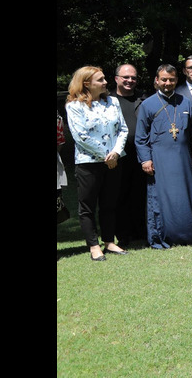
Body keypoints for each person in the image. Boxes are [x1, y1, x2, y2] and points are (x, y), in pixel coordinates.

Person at [135, 64, 192, 248]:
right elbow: (140, 137)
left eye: (171, 80)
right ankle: (162, 236)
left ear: (176, 80)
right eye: (164, 79)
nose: (167, 83)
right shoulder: (147, 105)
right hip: (159, 161)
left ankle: (189, 234)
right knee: (161, 199)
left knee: (184, 197)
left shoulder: (186, 103)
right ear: (156, 81)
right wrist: (146, 159)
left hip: (183, 159)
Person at [65, 66, 129, 261]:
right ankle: (94, 245)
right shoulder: (74, 106)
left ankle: (109, 241)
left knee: (109, 203)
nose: (105, 82)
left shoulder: (113, 102)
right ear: (87, 83)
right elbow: (80, 136)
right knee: (88, 206)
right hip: (89, 163)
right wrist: (106, 156)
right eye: (100, 80)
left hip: (114, 161)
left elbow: (123, 129)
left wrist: (116, 153)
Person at [108, 63, 146, 248]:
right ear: (116, 78)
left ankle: (141, 231)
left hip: (141, 156)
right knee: (119, 196)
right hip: (118, 157)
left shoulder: (143, 98)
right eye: (126, 77)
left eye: (133, 77)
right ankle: (123, 234)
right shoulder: (107, 100)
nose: (130, 80)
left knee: (140, 194)